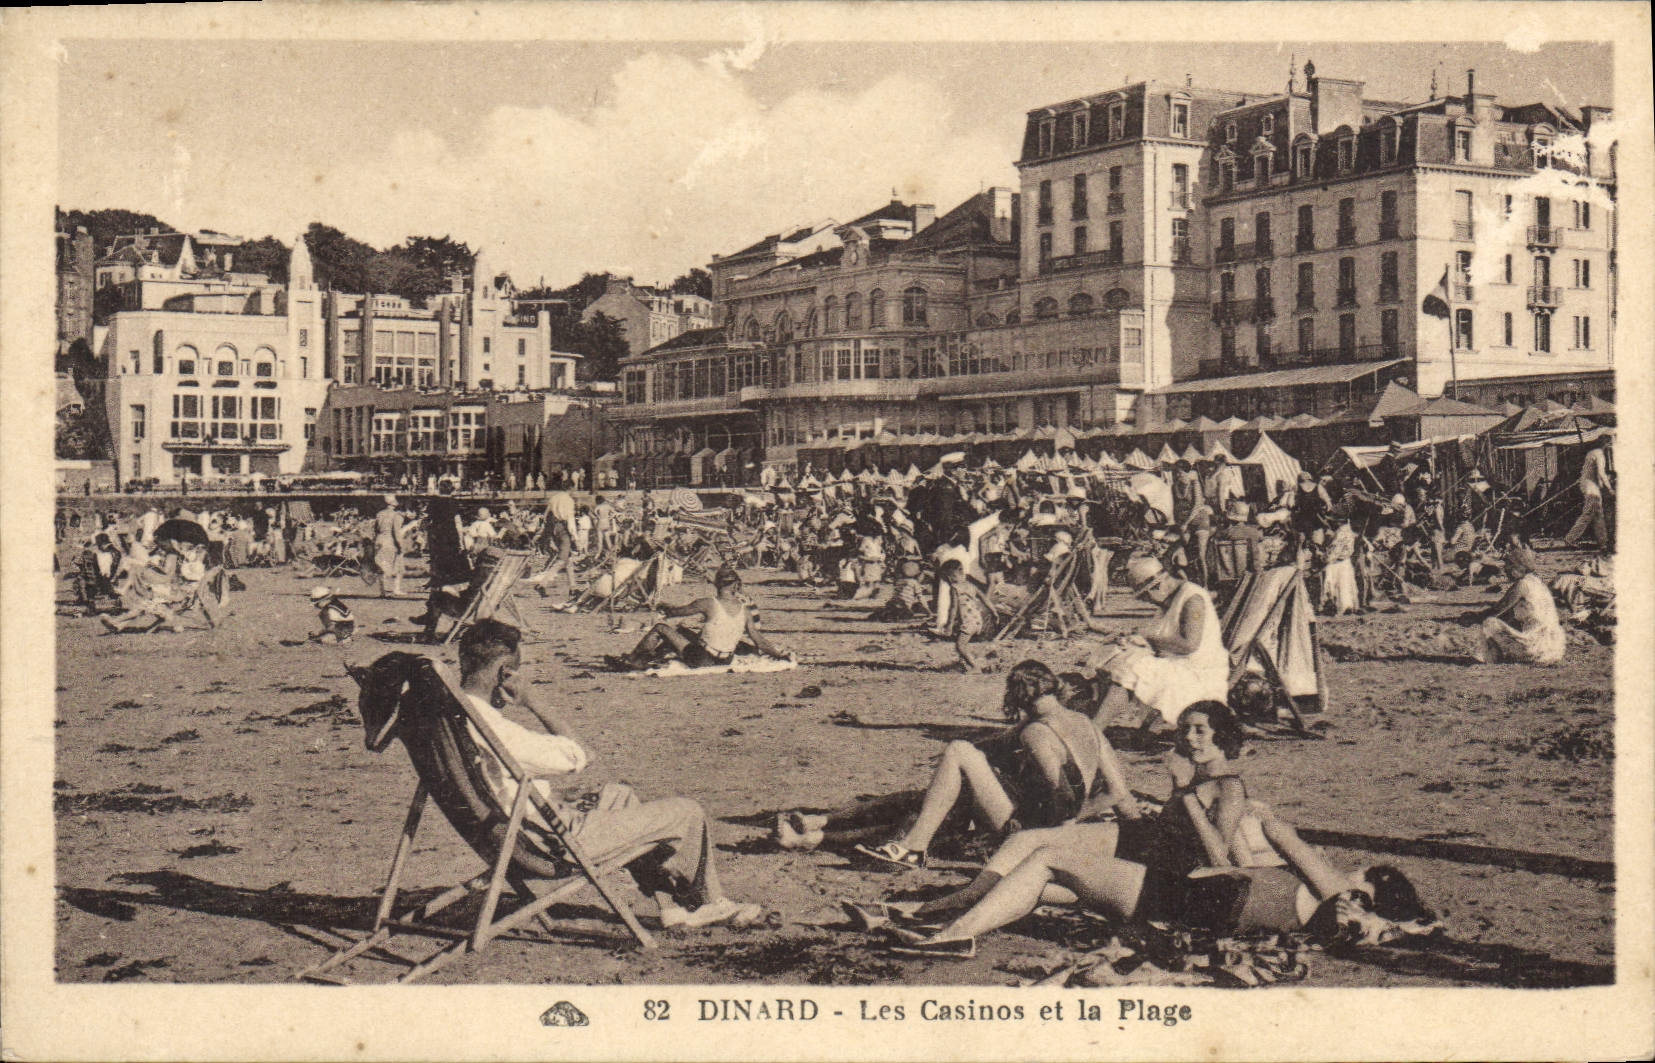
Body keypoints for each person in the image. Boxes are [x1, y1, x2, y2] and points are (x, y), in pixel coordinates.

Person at [886, 702, 1438, 957]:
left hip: (1189, 896)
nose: (1345, 870)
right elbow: (1239, 865)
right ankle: (945, 920)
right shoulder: (1313, 904)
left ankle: (952, 935)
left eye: (1358, 875)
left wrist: (1279, 830)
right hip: (1194, 898)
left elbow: (1223, 859)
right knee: (1046, 877)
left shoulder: (1332, 896)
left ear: (1366, 893)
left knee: (1046, 863)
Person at [456, 619, 762, 928]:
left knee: (619, 795)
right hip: (548, 843)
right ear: (504, 673)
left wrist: (550, 796)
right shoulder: (494, 730)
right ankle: (709, 903)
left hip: (512, 832)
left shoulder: (458, 716)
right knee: (687, 812)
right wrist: (532, 700)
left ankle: (671, 906)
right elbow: (581, 754)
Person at [782, 661, 1140, 867]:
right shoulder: (1088, 727)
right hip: (1036, 818)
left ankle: (913, 848)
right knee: (928, 799)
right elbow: (1118, 793)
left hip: (1026, 829)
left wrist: (1065, 825)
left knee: (956, 753)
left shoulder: (1036, 734)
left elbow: (1059, 796)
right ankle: (819, 829)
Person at [1089, 556, 1230, 730]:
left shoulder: (1193, 600)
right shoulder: (1171, 597)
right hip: (1178, 661)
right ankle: (1097, 722)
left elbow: (1190, 645)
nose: (1148, 601)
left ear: (1157, 586)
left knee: (1130, 669)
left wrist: (1148, 638)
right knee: (1119, 659)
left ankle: (1095, 729)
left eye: (1146, 597)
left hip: (1198, 667)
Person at [612, 565, 793, 671]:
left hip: (702, 659)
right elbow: (760, 641)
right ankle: (649, 659)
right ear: (737, 586)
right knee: (683, 633)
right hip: (725, 660)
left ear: (716, 584)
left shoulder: (707, 603)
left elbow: (679, 612)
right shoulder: (744, 611)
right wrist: (778, 655)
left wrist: (664, 608)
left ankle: (634, 660)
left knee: (661, 629)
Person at [1466, 545, 1566, 665]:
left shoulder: (1522, 585)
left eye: (1508, 566)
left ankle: (1489, 660)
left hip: (1536, 651)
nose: (1505, 570)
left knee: (1489, 622)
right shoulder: (1537, 582)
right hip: (1555, 649)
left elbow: (1498, 609)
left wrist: (1473, 616)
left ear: (1517, 567)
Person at [939, 559, 995, 672]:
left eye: (946, 580)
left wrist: (949, 625)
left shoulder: (955, 588)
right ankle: (966, 664)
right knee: (962, 642)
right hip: (977, 621)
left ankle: (975, 666)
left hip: (968, 622)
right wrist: (994, 612)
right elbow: (985, 599)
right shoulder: (971, 585)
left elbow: (953, 608)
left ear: (949, 577)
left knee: (960, 646)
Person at [530, 478, 579, 600]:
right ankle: (542, 584)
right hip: (563, 528)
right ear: (571, 488)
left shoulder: (553, 498)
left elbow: (546, 516)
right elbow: (570, 519)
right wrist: (575, 536)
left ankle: (573, 588)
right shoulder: (569, 500)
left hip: (553, 528)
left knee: (567, 560)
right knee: (562, 560)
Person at [1562, 442, 1613, 551]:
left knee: (1598, 514)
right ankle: (1570, 538)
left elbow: (1596, 474)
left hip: (1589, 485)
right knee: (1589, 514)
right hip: (1591, 488)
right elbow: (1601, 473)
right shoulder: (1599, 454)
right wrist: (1609, 488)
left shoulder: (1592, 453)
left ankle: (1603, 542)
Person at [372, 495, 406, 598]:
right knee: (395, 567)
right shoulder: (396, 515)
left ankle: (383, 591)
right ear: (394, 503)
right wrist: (400, 546)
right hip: (390, 542)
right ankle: (394, 590)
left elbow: (376, 529)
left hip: (379, 541)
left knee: (381, 567)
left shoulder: (379, 514)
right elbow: (396, 532)